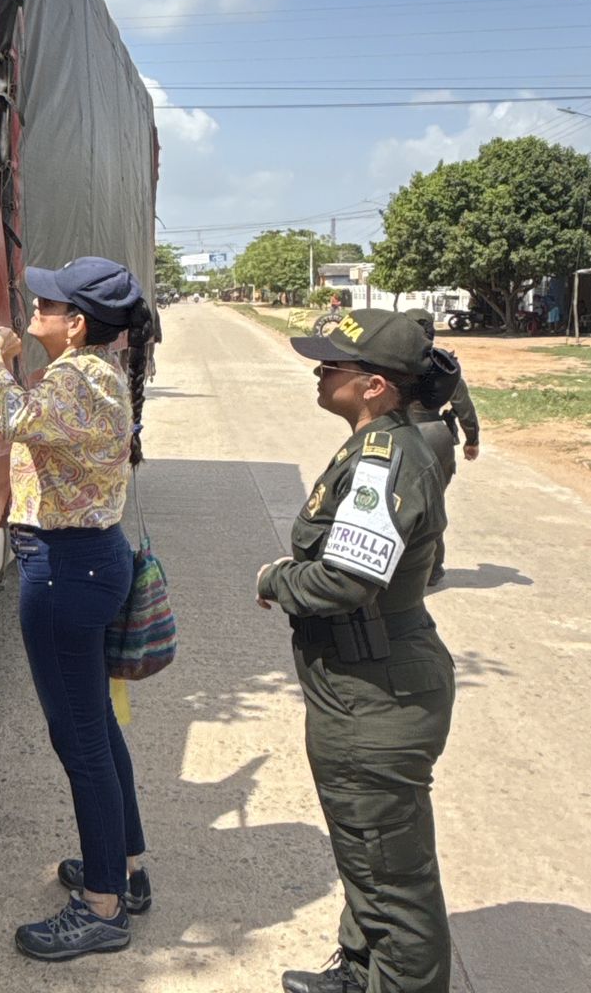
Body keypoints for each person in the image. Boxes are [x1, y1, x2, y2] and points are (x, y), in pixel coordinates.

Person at [257, 310, 457, 993]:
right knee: (367, 855)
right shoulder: (376, 445)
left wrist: (274, 579)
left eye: (331, 365)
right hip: (357, 683)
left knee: (391, 876)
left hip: (375, 693)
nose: (318, 372)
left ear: (374, 385)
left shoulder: (384, 458)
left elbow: (344, 579)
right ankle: (359, 971)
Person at [0, 257, 156, 963]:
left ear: (75, 324)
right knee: (96, 731)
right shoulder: (100, 373)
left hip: (65, 569)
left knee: (79, 740)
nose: (33, 308)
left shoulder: (72, 377)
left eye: (45, 303)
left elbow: (7, 416)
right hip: (88, 561)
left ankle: (103, 906)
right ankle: (126, 868)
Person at [403, 309, 480, 588]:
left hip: (403, 434)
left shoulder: (393, 362)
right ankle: (433, 567)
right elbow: (464, 408)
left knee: (398, 502)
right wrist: (472, 440)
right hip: (437, 436)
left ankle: (402, 568)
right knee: (433, 503)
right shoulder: (444, 366)